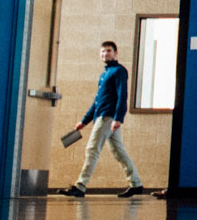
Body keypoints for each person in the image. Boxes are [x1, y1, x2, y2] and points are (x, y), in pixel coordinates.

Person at [62, 40, 147, 198]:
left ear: (116, 53)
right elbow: (97, 102)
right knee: (118, 152)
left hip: (108, 117)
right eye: (103, 51)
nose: (105, 54)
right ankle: (136, 184)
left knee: (92, 149)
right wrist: (84, 121)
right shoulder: (104, 74)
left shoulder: (119, 71)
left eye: (108, 51)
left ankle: (80, 186)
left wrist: (118, 118)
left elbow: (122, 96)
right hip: (102, 116)